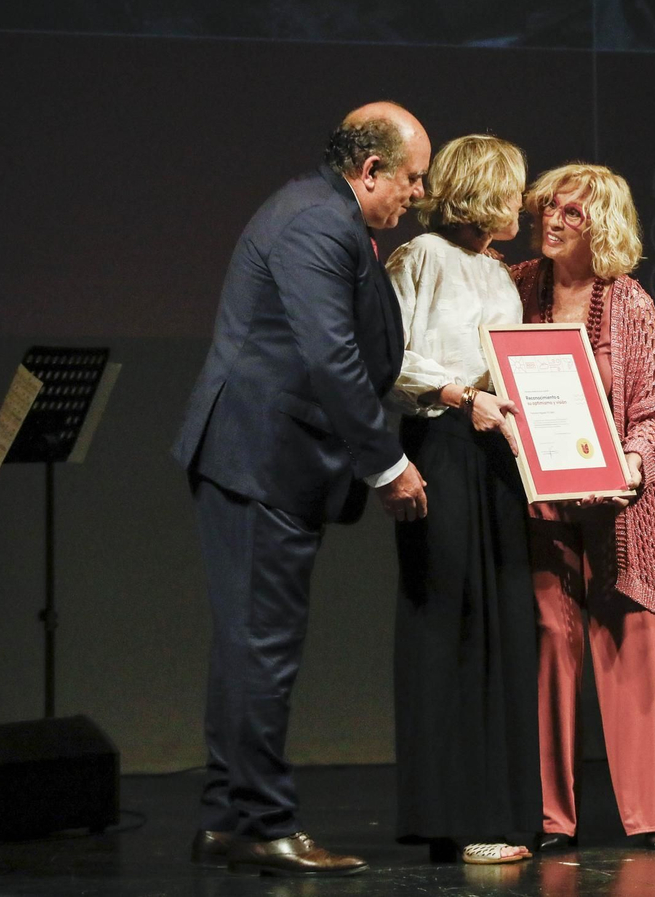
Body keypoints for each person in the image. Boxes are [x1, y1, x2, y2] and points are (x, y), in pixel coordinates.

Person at [171, 102, 430, 877]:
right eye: (410, 178)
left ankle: (226, 817)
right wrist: (386, 464)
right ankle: (263, 824)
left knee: (248, 645)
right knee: (262, 649)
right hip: (264, 459)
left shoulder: (320, 213)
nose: (417, 193)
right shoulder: (318, 223)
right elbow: (331, 357)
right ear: (370, 168)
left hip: (261, 458)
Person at [510, 163, 655, 851]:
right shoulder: (516, 287)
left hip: (618, 506)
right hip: (539, 506)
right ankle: (550, 818)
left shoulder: (631, 303)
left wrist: (634, 463)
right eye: (547, 209)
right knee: (548, 646)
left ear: (604, 225)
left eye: (570, 212)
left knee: (632, 641)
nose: (552, 220)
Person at [384, 134, 539, 865]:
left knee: (502, 619)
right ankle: (448, 810)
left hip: (497, 455)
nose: (521, 203)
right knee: (447, 618)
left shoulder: (494, 269)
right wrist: (457, 393)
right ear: (480, 190)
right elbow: (390, 359)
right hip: (442, 448)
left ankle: (499, 806)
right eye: (511, 191)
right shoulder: (420, 259)